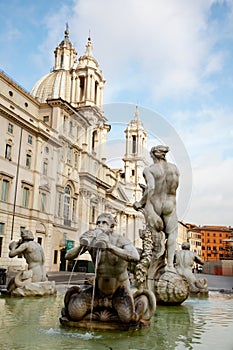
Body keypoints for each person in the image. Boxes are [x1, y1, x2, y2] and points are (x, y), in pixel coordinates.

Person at [64, 213, 142, 323]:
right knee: (74, 314)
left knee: (126, 318)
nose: (100, 225)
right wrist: (83, 246)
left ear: (112, 226)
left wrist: (110, 247)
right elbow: (68, 256)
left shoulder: (121, 240)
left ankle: (138, 303)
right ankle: (85, 302)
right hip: (98, 291)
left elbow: (135, 256)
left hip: (118, 291)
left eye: (104, 223)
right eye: (98, 223)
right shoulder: (93, 241)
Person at [134, 145, 179, 272]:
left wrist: (140, 202)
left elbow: (151, 188)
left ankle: (151, 265)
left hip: (156, 204)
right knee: (172, 234)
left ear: (153, 155)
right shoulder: (174, 169)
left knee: (152, 235)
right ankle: (169, 265)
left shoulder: (149, 170)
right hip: (170, 203)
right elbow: (174, 188)